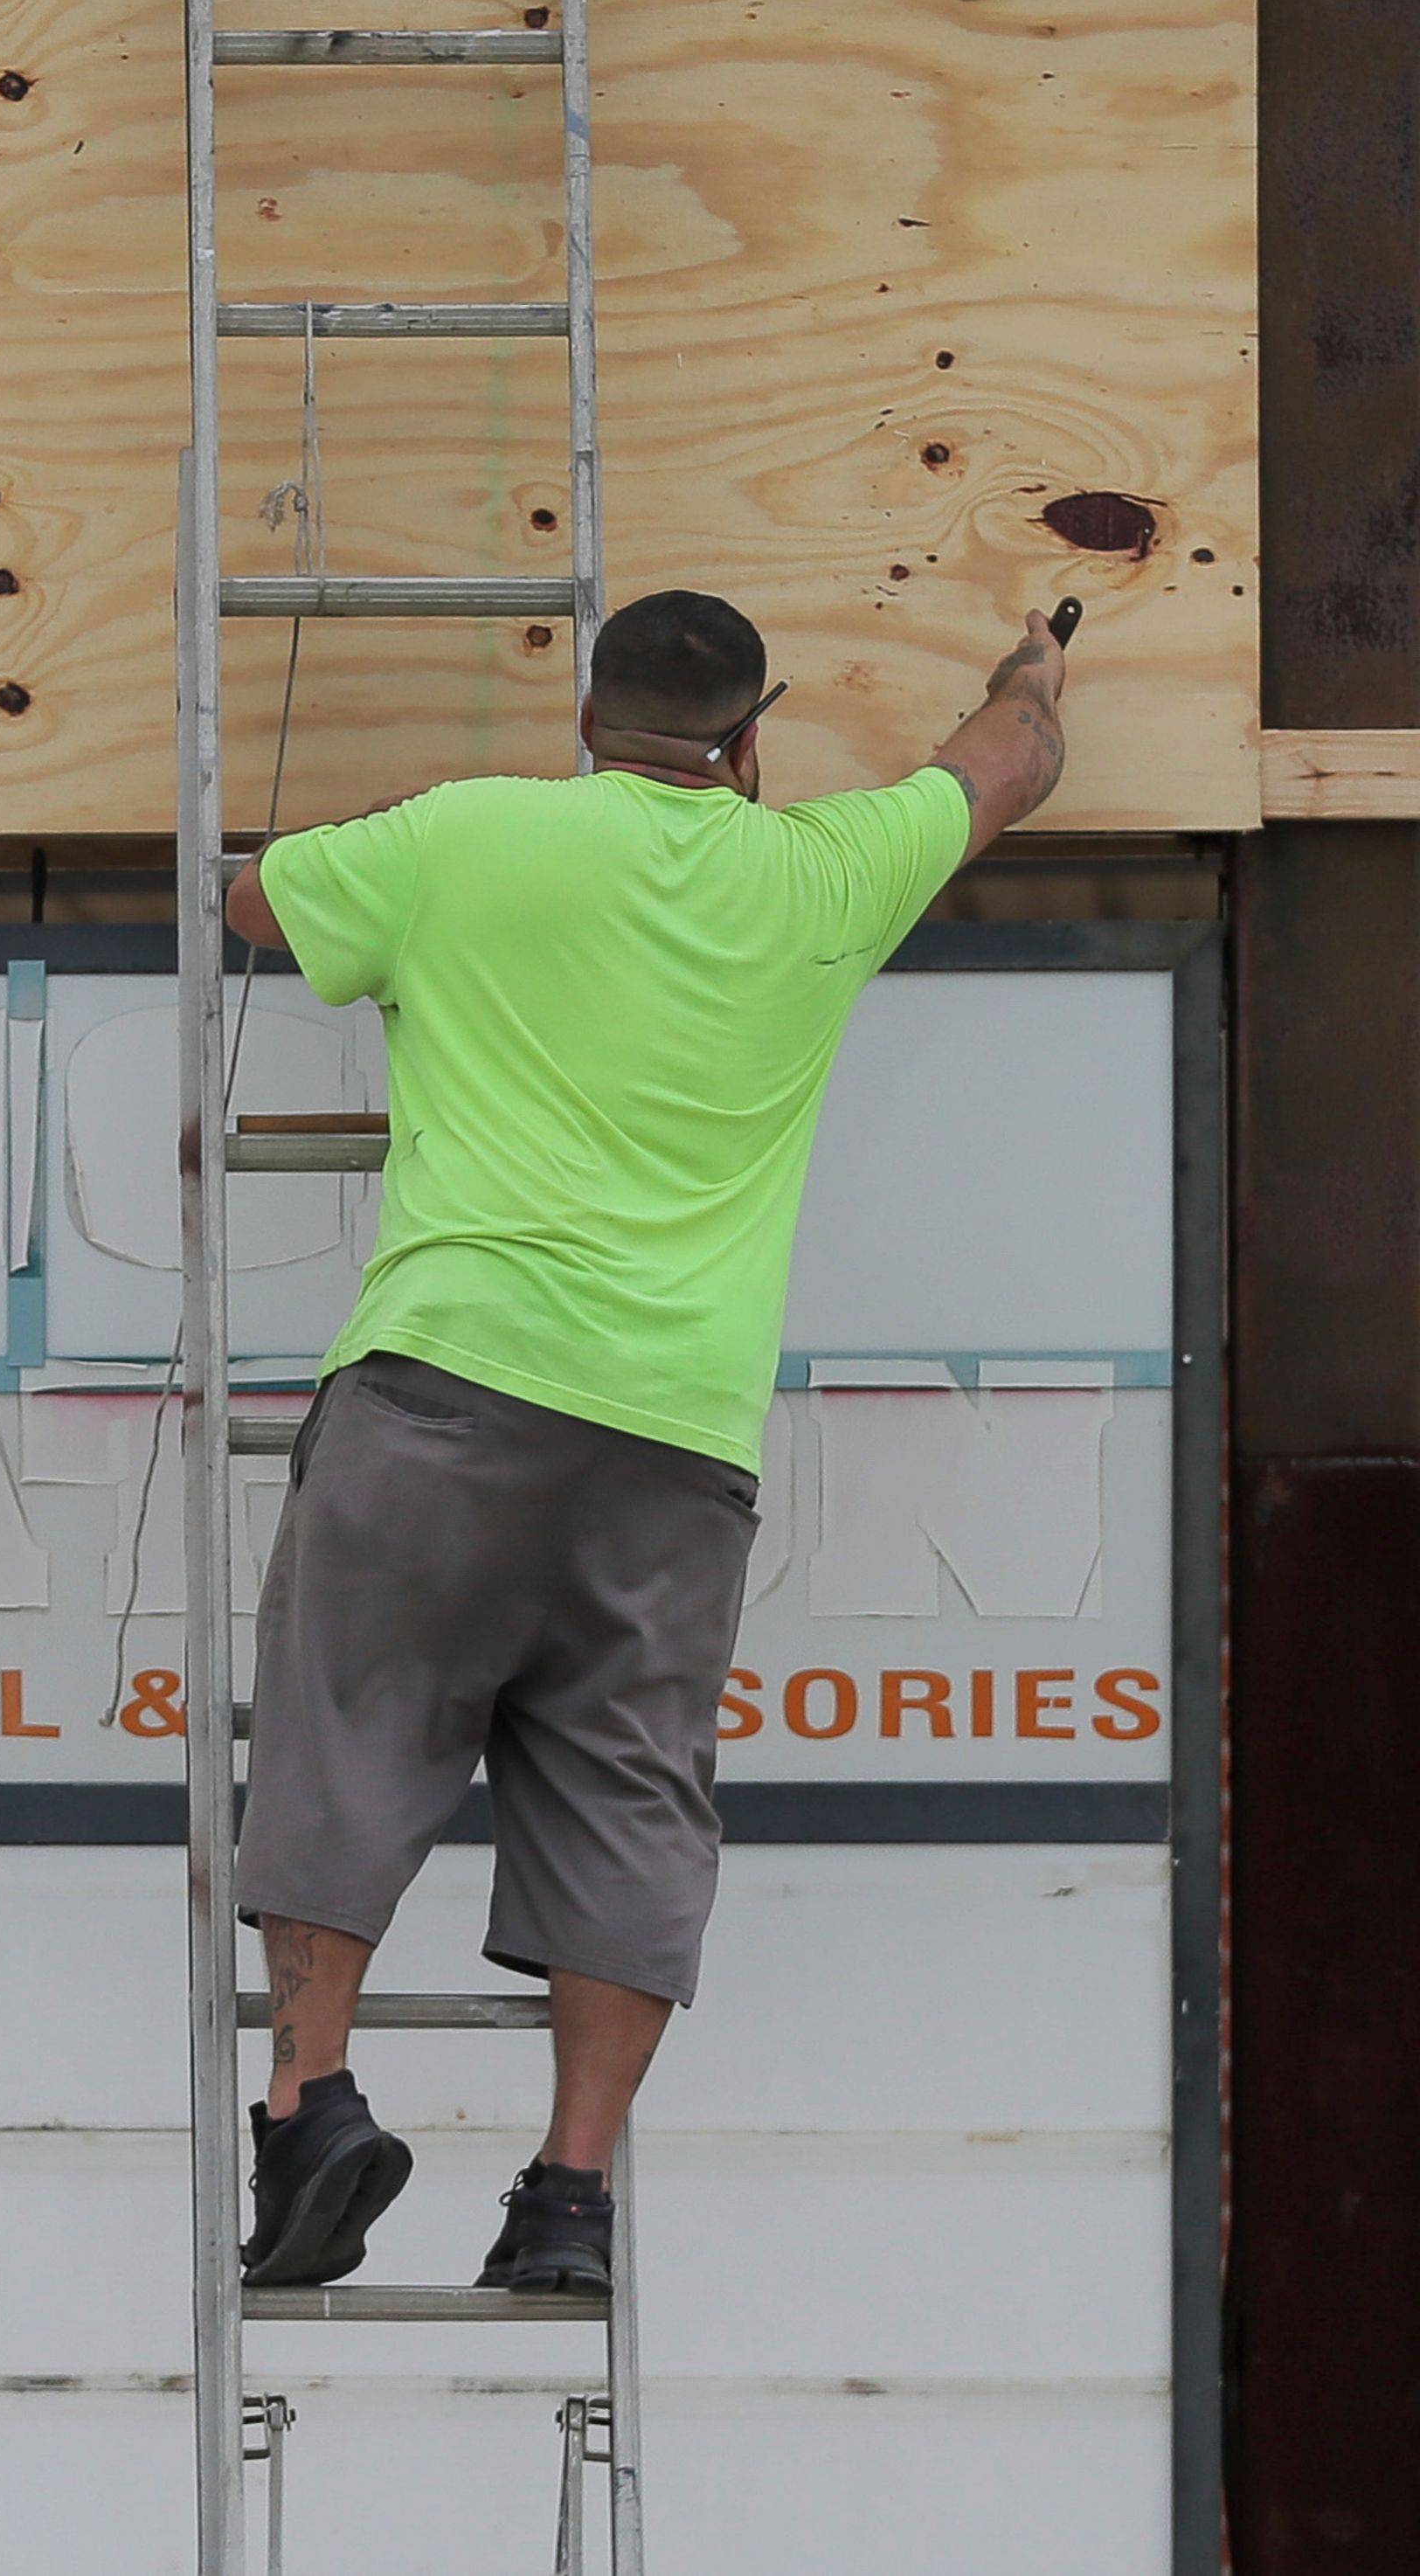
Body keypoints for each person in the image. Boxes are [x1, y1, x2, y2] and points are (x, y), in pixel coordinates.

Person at [225, 589, 1067, 2296]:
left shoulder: (470, 837)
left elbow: (251, 899)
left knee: (347, 1731)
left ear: (585, 725)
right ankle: (569, 2198)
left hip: (445, 1387)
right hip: (674, 1438)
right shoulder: (825, 872)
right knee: (629, 1797)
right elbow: (1007, 765)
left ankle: (310, 2099)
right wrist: (1034, 666)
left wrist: (374, 878)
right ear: (748, 748)